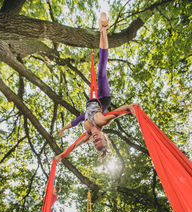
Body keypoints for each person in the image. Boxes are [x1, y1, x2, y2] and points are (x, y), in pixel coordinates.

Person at [56, 12, 136, 162]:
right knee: (100, 73)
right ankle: (103, 31)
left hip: (91, 102)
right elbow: (117, 113)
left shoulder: (87, 132)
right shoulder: (101, 121)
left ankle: (102, 33)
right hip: (103, 99)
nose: (95, 139)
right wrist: (130, 108)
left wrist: (62, 151)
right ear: (104, 136)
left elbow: (78, 124)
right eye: (99, 139)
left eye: (94, 142)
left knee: (83, 113)